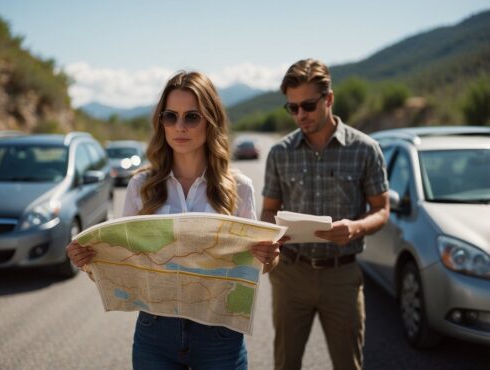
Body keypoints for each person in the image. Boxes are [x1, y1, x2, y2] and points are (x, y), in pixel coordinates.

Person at [66, 71, 282, 370]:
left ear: (210, 121)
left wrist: (269, 258)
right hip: (155, 333)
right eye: (171, 116)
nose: (180, 127)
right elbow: (122, 266)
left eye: (192, 117)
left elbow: (260, 267)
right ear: (161, 122)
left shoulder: (239, 187)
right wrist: (89, 261)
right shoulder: (140, 186)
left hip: (219, 335)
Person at [261, 59, 390, 370]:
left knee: (349, 363)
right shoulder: (279, 153)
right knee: (285, 363)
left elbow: (382, 209)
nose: (300, 115)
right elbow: (268, 209)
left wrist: (357, 228)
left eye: (307, 105)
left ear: (329, 99)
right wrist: (268, 237)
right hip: (290, 275)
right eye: (292, 108)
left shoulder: (365, 149)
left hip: (342, 276)